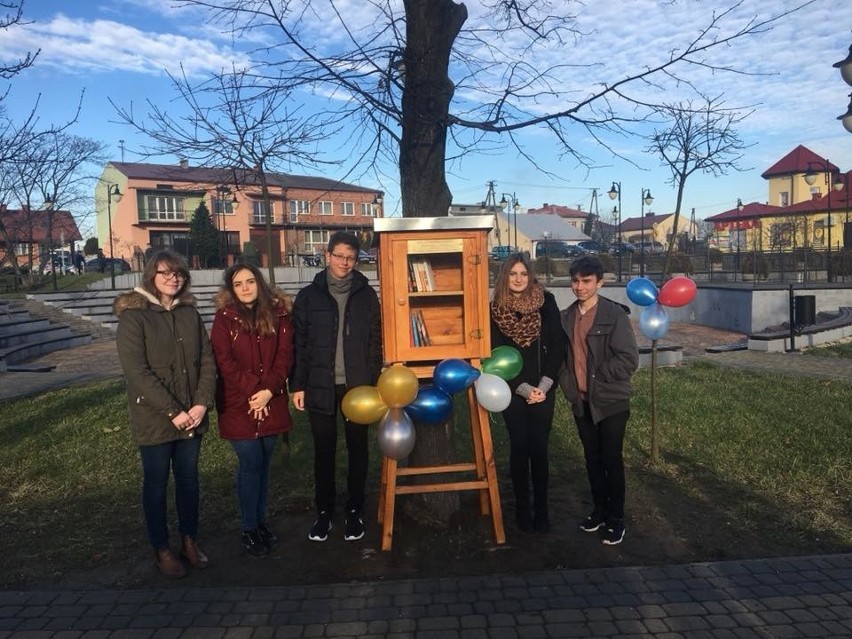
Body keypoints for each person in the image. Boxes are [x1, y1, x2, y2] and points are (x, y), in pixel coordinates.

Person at [113, 249, 217, 578]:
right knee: (156, 485)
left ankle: (189, 540)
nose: (173, 279)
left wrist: (201, 403)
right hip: (156, 419)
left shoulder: (189, 313)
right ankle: (161, 548)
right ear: (151, 276)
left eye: (178, 274)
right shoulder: (134, 318)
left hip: (193, 416)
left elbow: (208, 361)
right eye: (165, 273)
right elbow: (137, 372)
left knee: (188, 481)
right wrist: (174, 411)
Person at [290, 231, 382, 543]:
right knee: (324, 451)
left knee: (358, 450)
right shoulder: (309, 296)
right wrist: (297, 385)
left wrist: (370, 381)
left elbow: (374, 343)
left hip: (357, 388)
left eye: (351, 258)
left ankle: (355, 511)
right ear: (327, 255)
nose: (344, 262)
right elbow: (299, 344)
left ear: (357, 261)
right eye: (339, 255)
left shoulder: (367, 296)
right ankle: (324, 513)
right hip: (320, 386)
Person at [210, 263, 294, 557]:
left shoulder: (280, 314)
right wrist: (253, 392)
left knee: (264, 464)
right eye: (238, 284)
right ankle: (248, 527)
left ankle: (260, 522)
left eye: (250, 281)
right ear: (231, 289)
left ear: (259, 283)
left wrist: (268, 391)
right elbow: (224, 360)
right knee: (250, 463)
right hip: (238, 403)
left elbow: (285, 356)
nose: (245, 288)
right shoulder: (224, 319)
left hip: (272, 400)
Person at [558, 255, 639, 546]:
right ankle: (599, 512)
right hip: (581, 403)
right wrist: (569, 386)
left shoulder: (614, 315)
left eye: (586, 281)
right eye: (576, 281)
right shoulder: (566, 317)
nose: (579, 287)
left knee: (610, 460)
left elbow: (628, 359)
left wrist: (598, 378)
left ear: (599, 282)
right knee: (592, 460)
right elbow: (563, 359)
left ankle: (616, 519)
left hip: (610, 402)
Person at [490, 253, 564, 534]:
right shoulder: (495, 309)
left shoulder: (547, 304)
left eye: (523, 273)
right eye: (512, 274)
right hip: (513, 390)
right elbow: (495, 355)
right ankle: (522, 510)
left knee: (539, 450)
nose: (518, 279)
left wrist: (543, 387)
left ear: (530, 276)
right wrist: (523, 388)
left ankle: (542, 511)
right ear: (505, 277)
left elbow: (558, 346)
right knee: (519, 449)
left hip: (544, 388)